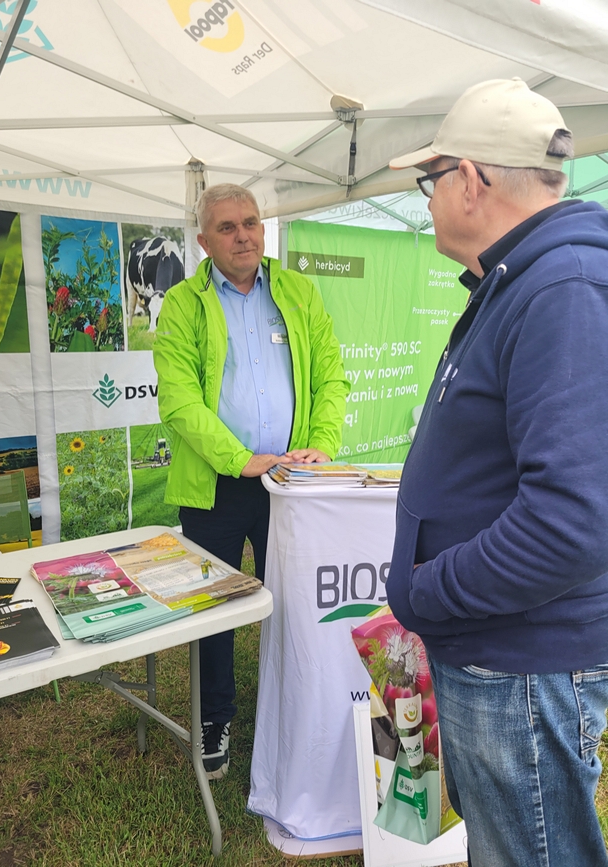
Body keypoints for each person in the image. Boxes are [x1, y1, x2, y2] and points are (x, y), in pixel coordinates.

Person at [386, 78, 608, 866]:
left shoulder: (563, 287)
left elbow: (570, 522)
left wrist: (430, 590)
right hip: (504, 656)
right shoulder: (522, 281)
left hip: (522, 665)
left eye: (432, 180)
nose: (429, 201)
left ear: (471, 179)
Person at [153, 183, 349, 779]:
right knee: (214, 611)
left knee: (290, 605)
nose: (243, 236)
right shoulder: (182, 304)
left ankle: (291, 712)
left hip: (289, 482)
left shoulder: (298, 292)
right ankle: (215, 718)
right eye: (228, 227)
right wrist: (239, 458)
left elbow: (331, 376)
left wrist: (323, 445)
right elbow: (179, 400)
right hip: (217, 484)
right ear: (203, 241)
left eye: (252, 223)